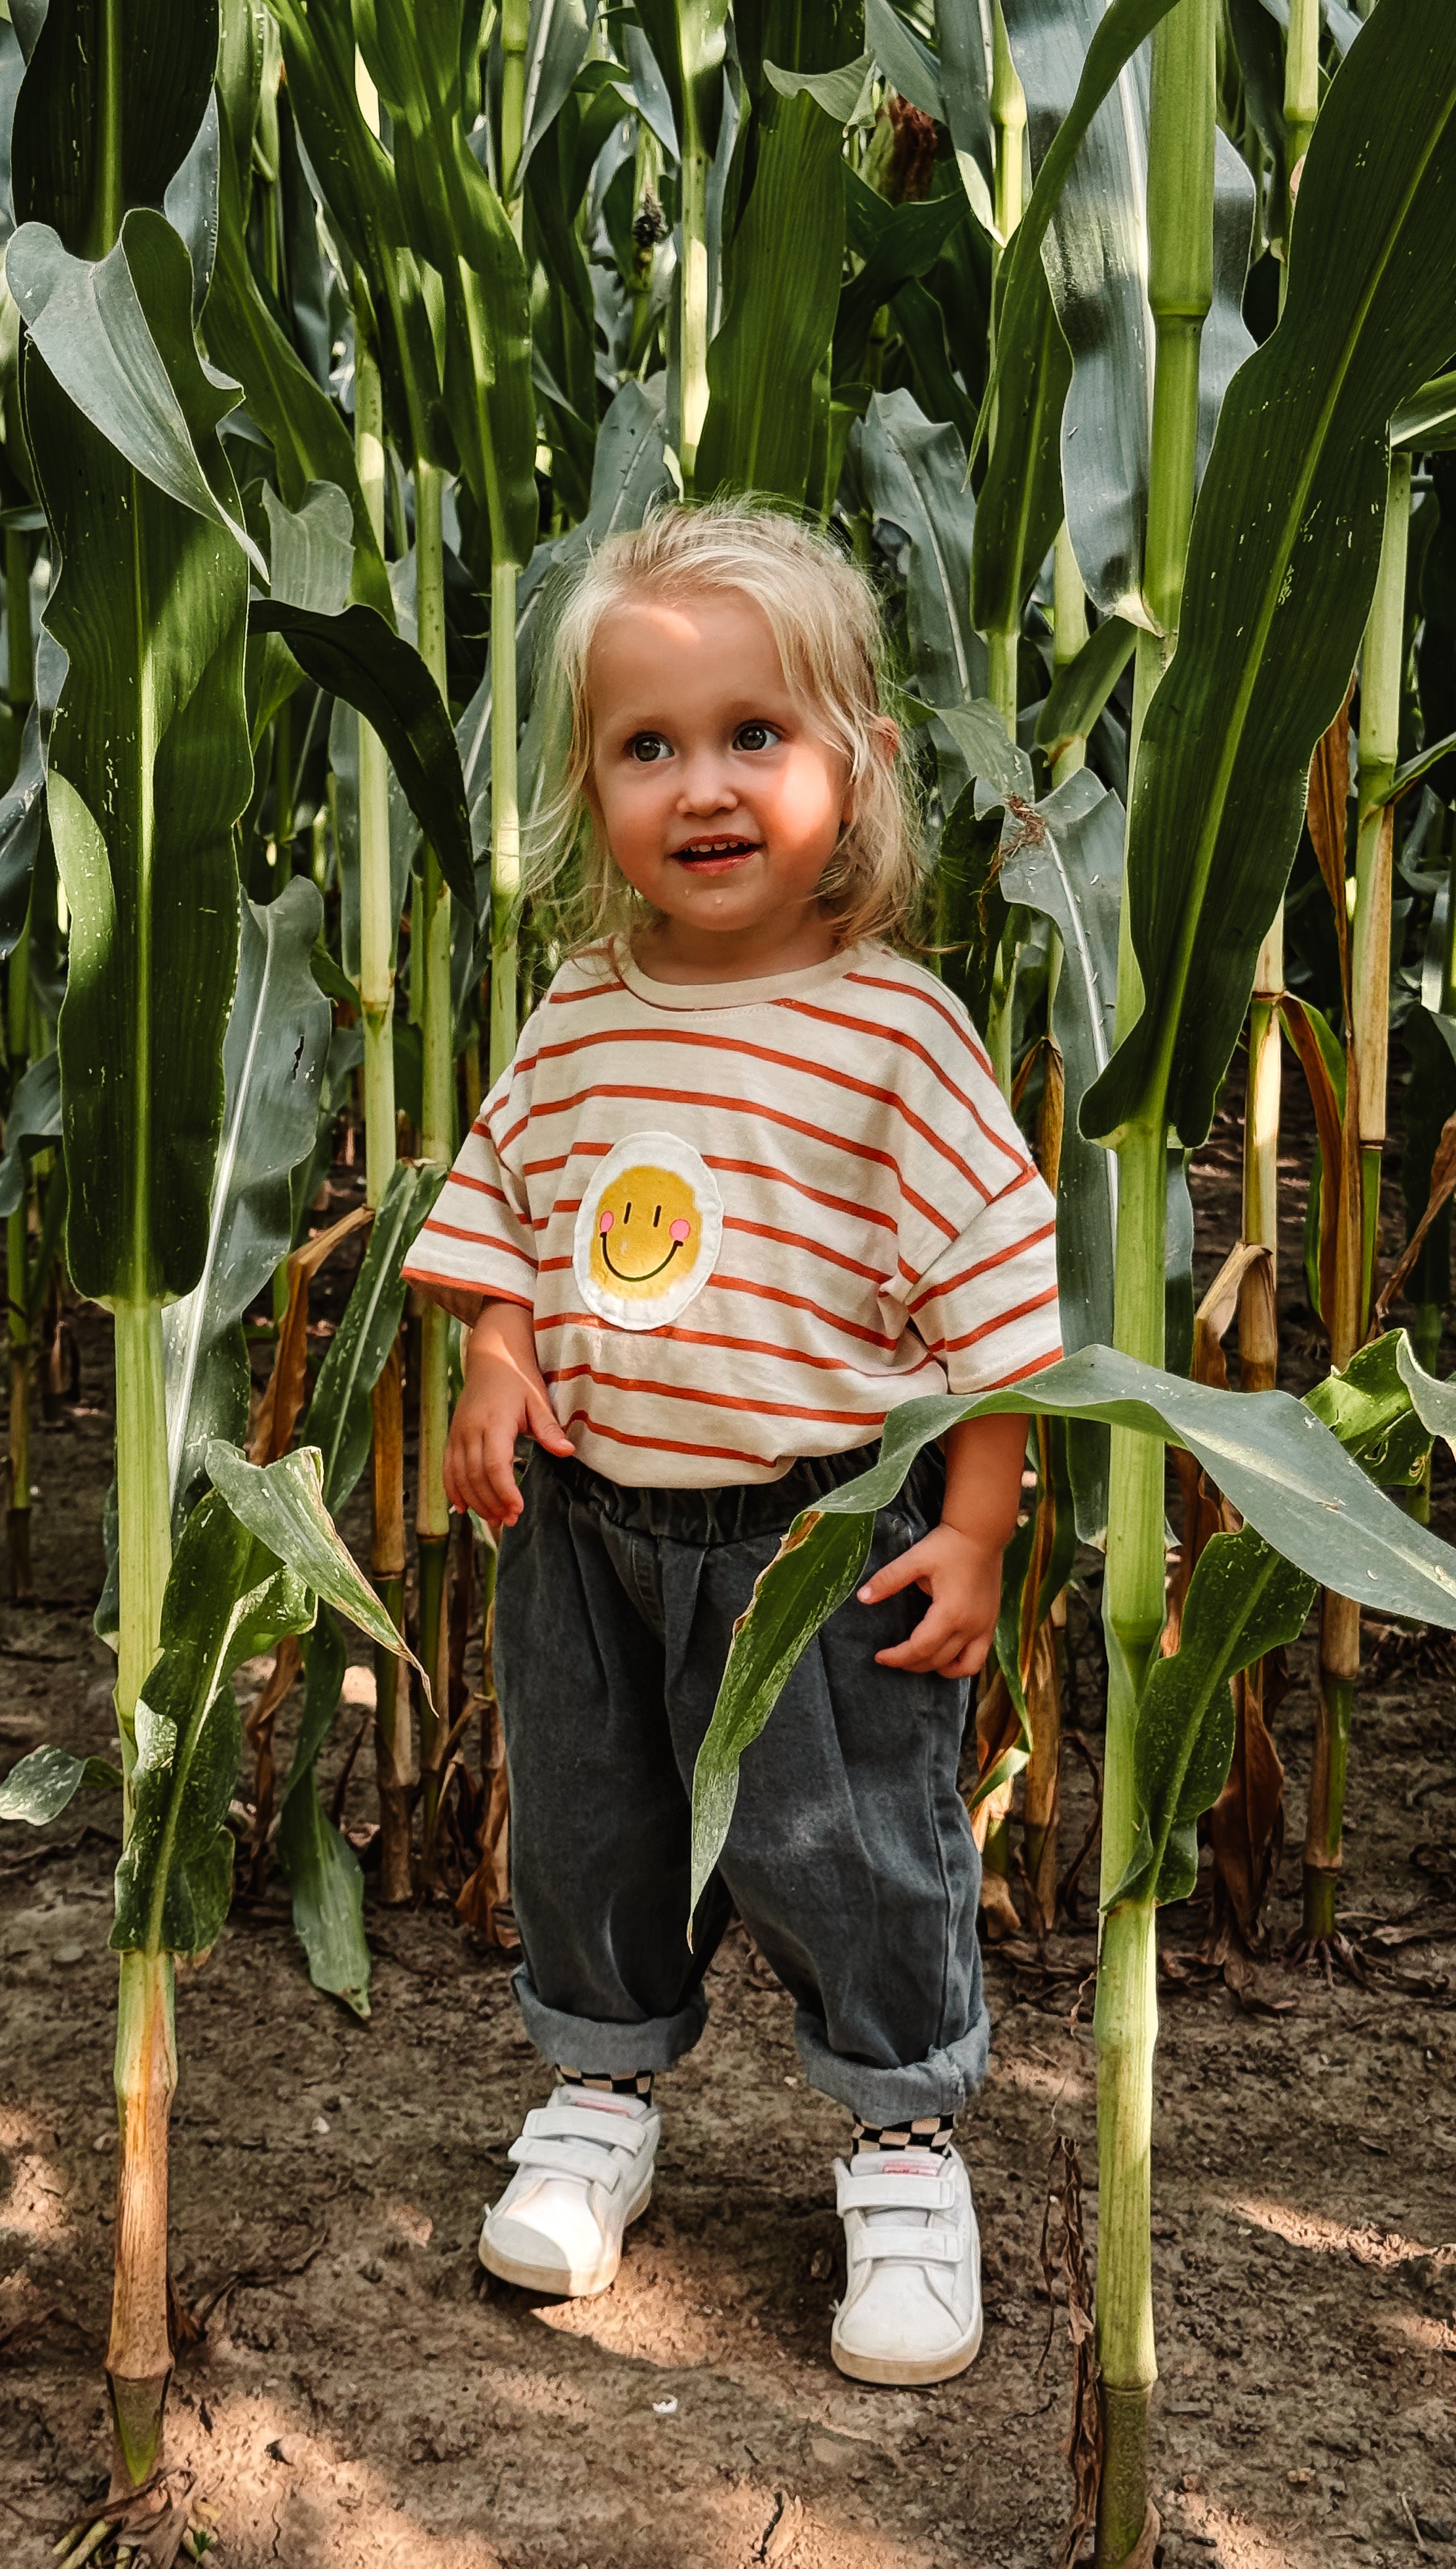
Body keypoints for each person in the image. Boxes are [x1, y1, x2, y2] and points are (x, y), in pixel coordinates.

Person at [400, 499, 1061, 2386]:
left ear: (853, 767)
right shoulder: (581, 1019)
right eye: (647, 747)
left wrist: (982, 1529)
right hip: (589, 1534)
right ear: (590, 789)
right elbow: (505, 1213)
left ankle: (906, 2150)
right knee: (595, 1825)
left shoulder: (893, 1036)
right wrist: (499, 1364)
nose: (703, 786)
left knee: (847, 1845)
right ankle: (601, 2103)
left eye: (754, 735)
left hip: (818, 1536)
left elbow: (996, 1313)